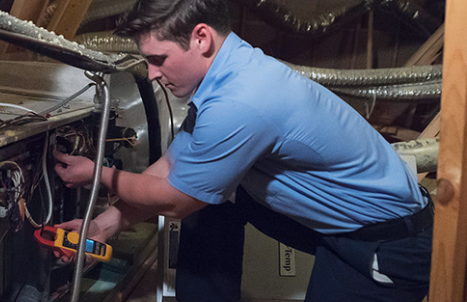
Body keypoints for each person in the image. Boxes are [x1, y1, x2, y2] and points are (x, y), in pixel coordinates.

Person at [53, 0, 434, 301]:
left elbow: (175, 201)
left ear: (201, 38)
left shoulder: (240, 102)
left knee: (199, 197)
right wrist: (100, 225)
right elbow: (173, 166)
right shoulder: (230, 74)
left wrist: (97, 174)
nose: (151, 73)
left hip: (385, 243)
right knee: (216, 196)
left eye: (158, 59)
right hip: (341, 221)